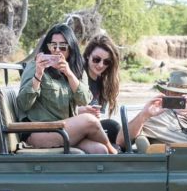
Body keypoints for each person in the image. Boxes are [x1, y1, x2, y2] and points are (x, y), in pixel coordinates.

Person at [16, 24, 117, 154]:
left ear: (71, 48)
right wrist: (38, 75)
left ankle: (107, 158)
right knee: (89, 120)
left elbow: (84, 100)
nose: (57, 50)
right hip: (39, 130)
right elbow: (23, 105)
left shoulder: (77, 69)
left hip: (65, 129)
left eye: (63, 46)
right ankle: (115, 154)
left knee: (100, 150)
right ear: (47, 47)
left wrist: (69, 73)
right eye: (53, 45)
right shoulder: (35, 67)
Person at [117, 70, 187, 149]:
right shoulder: (154, 117)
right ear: (166, 94)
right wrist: (143, 115)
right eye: (176, 93)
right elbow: (121, 142)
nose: (182, 98)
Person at [81, 34, 121, 145]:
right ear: (88, 55)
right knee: (113, 126)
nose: (100, 65)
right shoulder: (76, 76)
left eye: (106, 62)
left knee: (117, 130)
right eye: (96, 59)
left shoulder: (105, 83)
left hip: (93, 127)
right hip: (77, 126)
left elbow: (99, 117)